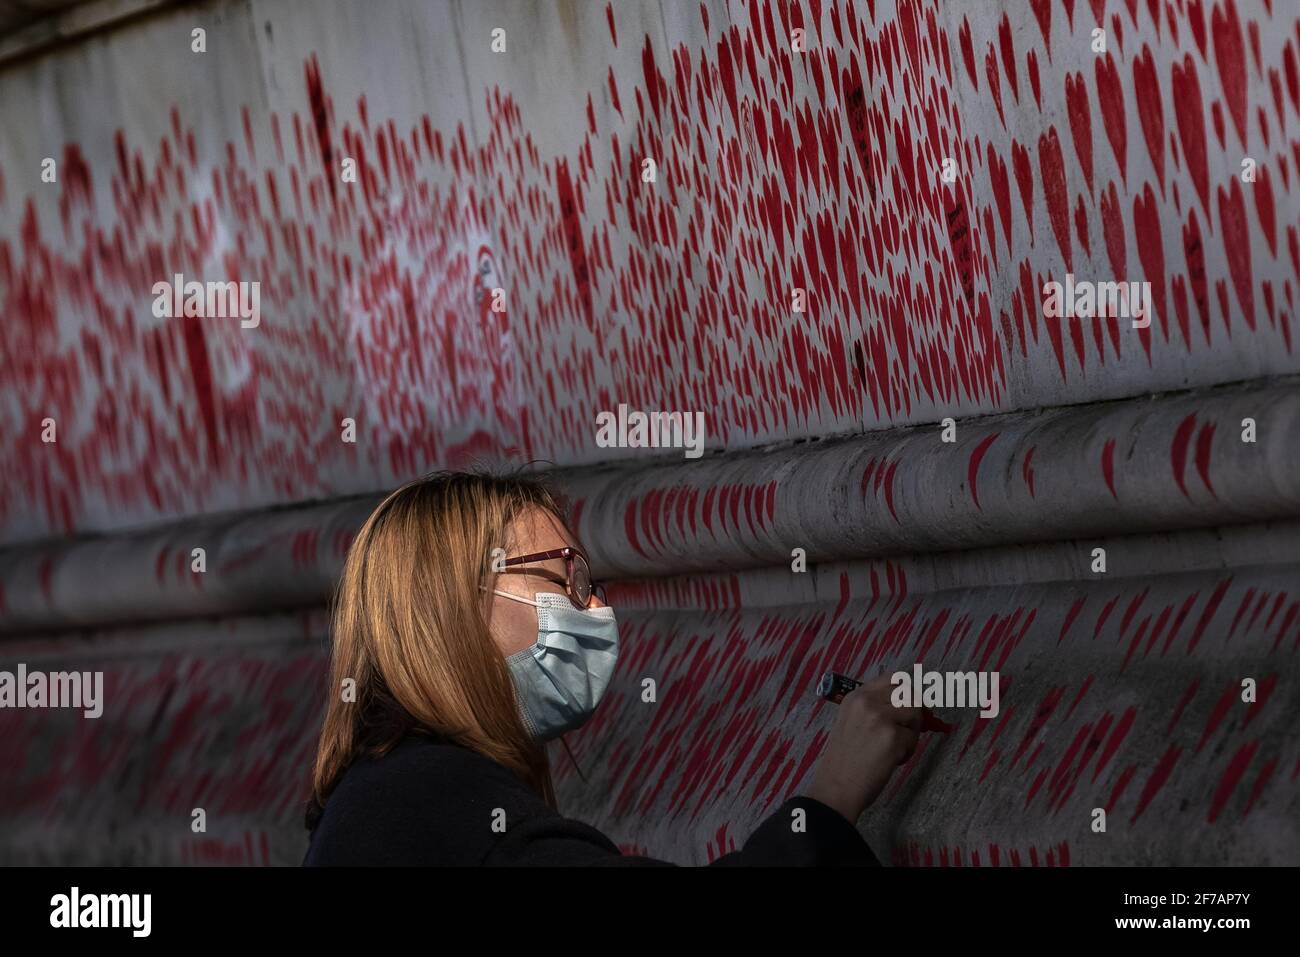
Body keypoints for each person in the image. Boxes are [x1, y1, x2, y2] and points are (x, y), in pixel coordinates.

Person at [303, 471, 920, 865]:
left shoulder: (381, 797)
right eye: (567, 577)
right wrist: (833, 795)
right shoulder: (448, 814)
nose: (596, 606)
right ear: (457, 603)